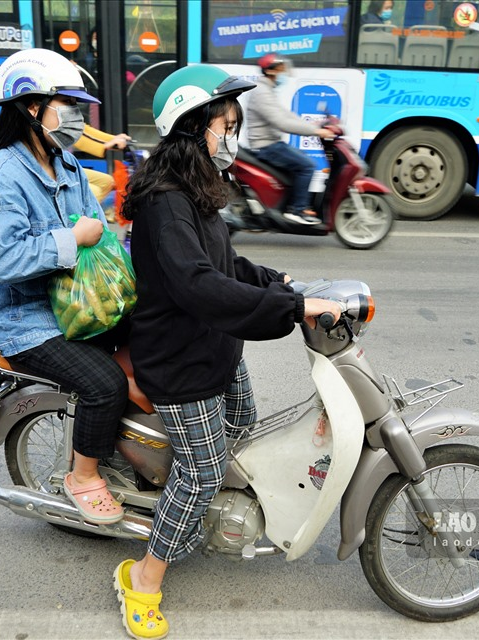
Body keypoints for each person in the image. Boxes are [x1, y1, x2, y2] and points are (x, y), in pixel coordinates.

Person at [114, 64, 342, 640]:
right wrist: (292, 310)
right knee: (202, 471)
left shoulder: (196, 192)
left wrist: (277, 282)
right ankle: (141, 578)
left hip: (216, 344)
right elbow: (196, 284)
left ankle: (204, 514)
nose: (233, 135)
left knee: (242, 427)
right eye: (227, 124)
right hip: (180, 358)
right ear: (193, 128)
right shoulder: (165, 203)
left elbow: (224, 264)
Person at [0, 48, 127, 526]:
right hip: (26, 320)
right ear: (33, 108)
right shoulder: (1, 177)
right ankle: (84, 475)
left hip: (78, 301)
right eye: (67, 105)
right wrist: (71, 239)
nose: (76, 117)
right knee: (103, 383)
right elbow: (2, 260)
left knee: (161, 328)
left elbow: (101, 232)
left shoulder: (68, 166)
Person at [246, 54, 334, 226]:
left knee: (301, 160)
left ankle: (293, 205)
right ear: (270, 71)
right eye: (280, 70)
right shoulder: (262, 92)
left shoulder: (267, 89)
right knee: (307, 166)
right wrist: (316, 131)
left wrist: (314, 126)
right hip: (266, 146)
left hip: (271, 143)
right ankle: (297, 209)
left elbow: (287, 115)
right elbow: (282, 123)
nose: (284, 73)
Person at [73, 125, 132, 201]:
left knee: (107, 182)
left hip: (61, 166)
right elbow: (72, 133)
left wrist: (112, 139)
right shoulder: (55, 113)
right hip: (54, 170)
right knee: (94, 192)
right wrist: (103, 145)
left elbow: (81, 129)